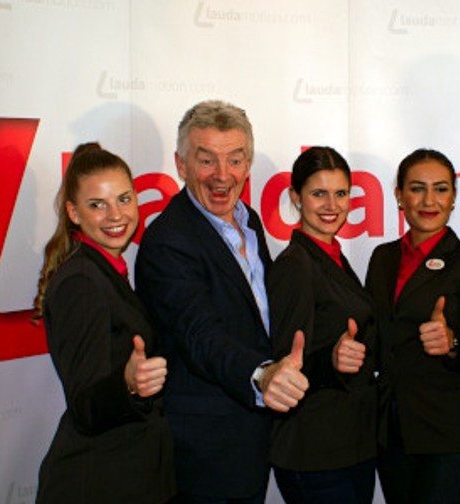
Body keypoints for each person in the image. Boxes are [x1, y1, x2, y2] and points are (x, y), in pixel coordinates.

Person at [134, 100, 310, 503]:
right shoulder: (169, 240)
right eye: (206, 160)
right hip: (203, 451)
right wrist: (261, 375)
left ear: (247, 165)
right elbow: (201, 335)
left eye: (234, 160)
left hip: (251, 439)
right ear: (181, 165)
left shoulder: (249, 223)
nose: (222, 175)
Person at [33, 143, 175, 504]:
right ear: (74, 213)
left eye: (124, 199)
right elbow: (85, 405)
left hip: (128, 476)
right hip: (98, 482)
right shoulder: (81, 282)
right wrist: (126, 384)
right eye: (97, 204)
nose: (116, 215)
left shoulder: (104, 270)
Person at [366, 148, 460, 504]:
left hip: (450, 435)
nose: (429, 201)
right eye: (417, 188)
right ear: (398, 195)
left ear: (454, 197)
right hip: (393, 434)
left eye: (440, 189)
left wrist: (453, 343)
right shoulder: (382, 258)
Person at [268, 146, 377, 503]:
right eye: (319, 194)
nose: (332, 205)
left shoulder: (331, 256)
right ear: (295, 197)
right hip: (314, 451)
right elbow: (286, 361)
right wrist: (330, 360)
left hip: (349, 444)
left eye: (340, 193)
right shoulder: (294, 265)